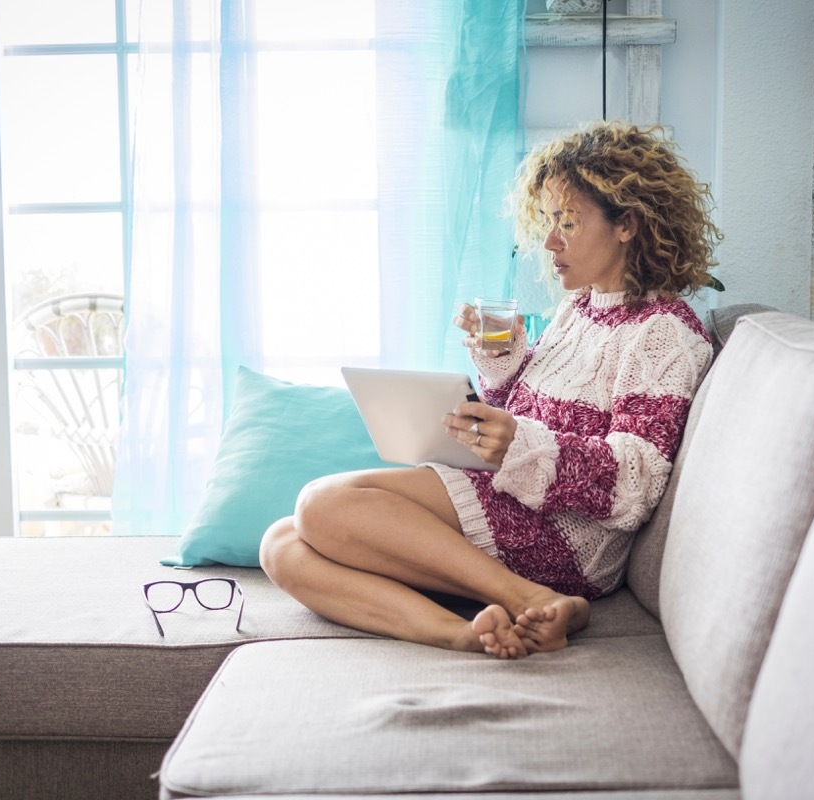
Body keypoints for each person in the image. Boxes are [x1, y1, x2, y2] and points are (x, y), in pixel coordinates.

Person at [260, 121, 720, 659]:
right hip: (509, 504)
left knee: (321, 504)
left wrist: (519, 443)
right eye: (549, 221)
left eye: (568, 222)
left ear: (628, 226)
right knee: (281, 543)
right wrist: (502, 366)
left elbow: (636, 483)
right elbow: (521, 431)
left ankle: (532, 597)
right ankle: (465, 632)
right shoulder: (580, 309)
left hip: (566, 539)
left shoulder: (663, 332)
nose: (550, 241)